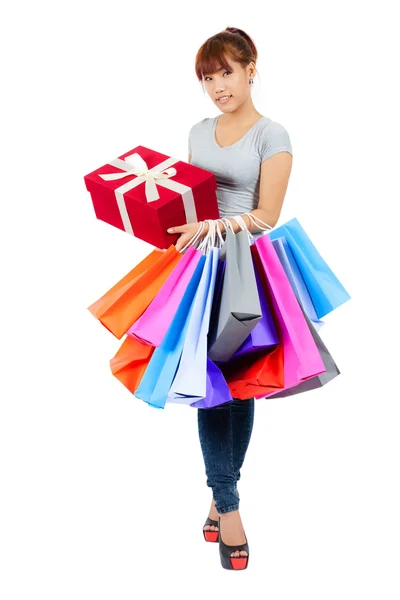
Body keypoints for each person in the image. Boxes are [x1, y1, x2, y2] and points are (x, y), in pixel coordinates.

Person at [167, 27, 293, 569]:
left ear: (249, 69)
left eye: (226, 72)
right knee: (208, 385)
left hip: (248, 268)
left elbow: (267, 215)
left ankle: (222, 499)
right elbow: (186, 199)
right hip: (199, 268)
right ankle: (230, 504)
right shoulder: (197, 131)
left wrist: (217, 224)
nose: (217, 85)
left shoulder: (272, 134)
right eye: (207, 77)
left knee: (239, 387)